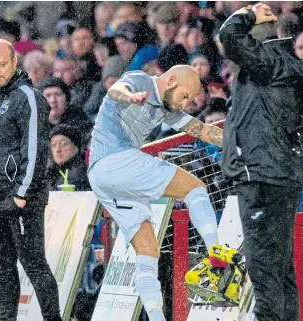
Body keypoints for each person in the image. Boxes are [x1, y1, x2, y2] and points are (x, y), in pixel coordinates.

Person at [88, 65, 229, 321]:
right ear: (172, 80)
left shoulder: (169, 109)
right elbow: (117, 90)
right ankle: (215, 252)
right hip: (117, 160)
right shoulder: (141, 80)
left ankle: (156, 317)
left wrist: (235, 140)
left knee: (147, 250)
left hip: (99, 175)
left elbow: (202, 130)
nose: (185, 103)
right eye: (184, 95)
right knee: (195, 188)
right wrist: (130, 96)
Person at [219, 4, 303, 321]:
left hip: (262, 175)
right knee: (279, 264)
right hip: (275, 173)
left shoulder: (267, 60)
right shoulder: (280, 64)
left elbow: (228, 34)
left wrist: (248, 13)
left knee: (263, 265)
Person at [0, 39, 61, 321]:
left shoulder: (27, 96)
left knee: (34, 265)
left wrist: (21, 196)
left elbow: (34, 149)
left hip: (21, 199)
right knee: (2, 268)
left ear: (14, 63)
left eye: (1, 64)